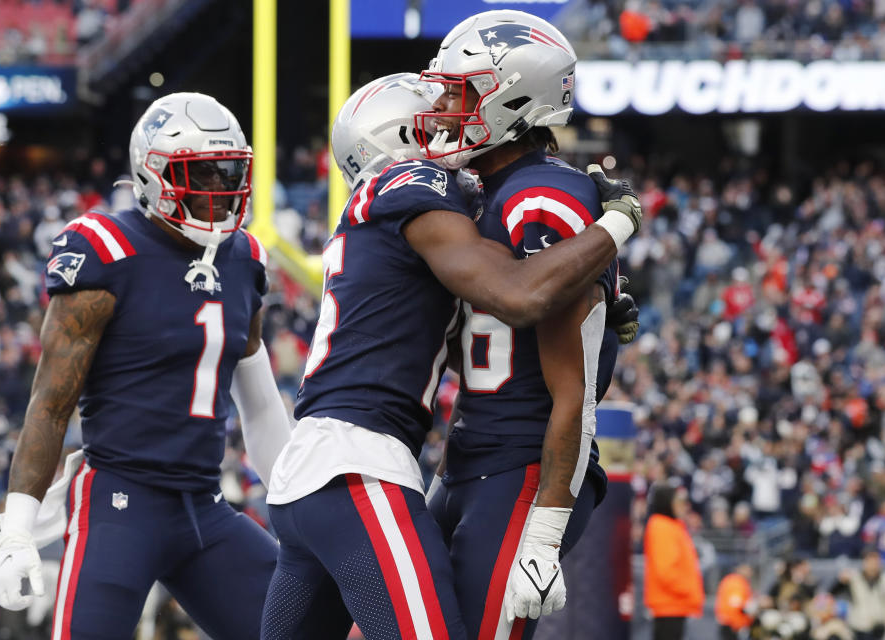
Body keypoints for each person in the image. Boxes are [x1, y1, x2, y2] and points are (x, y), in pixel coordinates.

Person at [260, 72, 641, 640]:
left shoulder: (383, 216)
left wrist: (595, 292)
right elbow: (519, 292)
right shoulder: (411, 182)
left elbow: (482, 326)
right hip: (357, 469)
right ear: (402, 139)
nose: (448, 123)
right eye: (432, 117)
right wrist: (618, 223)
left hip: (307, 475)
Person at [0, 92, 293, 640]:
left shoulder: (244, 259)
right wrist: (15, 534)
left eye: (228, 173)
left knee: (298, 628)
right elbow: (50, 403)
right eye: (202, 174)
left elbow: (263, 402)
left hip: (206, 504)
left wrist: (295, 508)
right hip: (120, 502)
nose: (220, 190)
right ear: (154, 176)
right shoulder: (106, 249)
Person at [413, 10, 641, 638]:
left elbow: (575, 391)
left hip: (523, 468)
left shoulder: (541, 196)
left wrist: (543, 532)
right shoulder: (493, 189)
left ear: (513, 99)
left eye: (460, 93)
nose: (443, 106)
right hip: (472, 458)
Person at [643, 483, 704, 640]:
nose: (685, 506)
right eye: (679, 501)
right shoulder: (662, 526)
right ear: (666, 502)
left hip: (674, 605)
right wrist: (688, 589)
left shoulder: (671, 526)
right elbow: (666, 571)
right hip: (669, 605)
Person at [715, 564, 755, 640]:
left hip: (728, 622)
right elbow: (736, 603)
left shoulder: (731, 580)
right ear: (740, 569)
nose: (750, 573)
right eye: (748, 570)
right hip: (733, 624)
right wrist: (751, 608)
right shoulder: (736, 582)